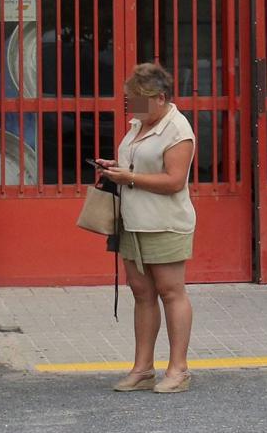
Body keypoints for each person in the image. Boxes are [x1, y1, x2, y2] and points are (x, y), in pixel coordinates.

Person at [95, 62, 196, 395]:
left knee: (171, 292)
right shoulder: (139, 124)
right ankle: (143, 369)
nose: (131, 106)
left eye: (138, 99)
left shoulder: (177, 130)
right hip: (133, 222)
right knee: (142, 294)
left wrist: (131, 178)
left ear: (161, 97)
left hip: (164, 223)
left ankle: (178, 369)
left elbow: (174, 181)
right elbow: (136, 164)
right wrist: (117, 168)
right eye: (130, 99)